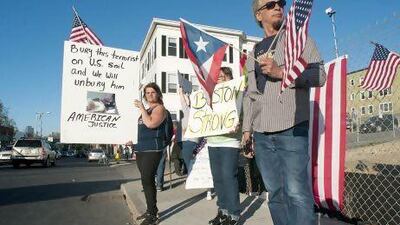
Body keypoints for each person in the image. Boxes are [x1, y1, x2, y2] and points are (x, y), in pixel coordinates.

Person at [242, 1, 327, 225]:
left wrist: (282, 72)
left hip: (291, 126)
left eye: (281, 2)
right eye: (271, 4)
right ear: (259, 15)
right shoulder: (254, 51)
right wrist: (247, 130)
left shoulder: (299, 40)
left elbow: (320, 75)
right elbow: (250, 94)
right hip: (261, 133)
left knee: (297, 193)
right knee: (275, 194)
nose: (278, 7)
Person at [207, 67, 241, 225]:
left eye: (223, 76)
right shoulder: (211, 96)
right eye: (217, 77)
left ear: (230, 78)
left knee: (228, 176)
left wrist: (239, 122)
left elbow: (243, 113)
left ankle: (234, 215)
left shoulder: (237, 93)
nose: (219, 79)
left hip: (230, 141)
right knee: (218, 179)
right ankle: (223, 211)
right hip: (213, 141)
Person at [132, 82, 169, 225]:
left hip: (152, 150)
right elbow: (141, 129)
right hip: (140, 149)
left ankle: (153, 215)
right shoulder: (146, 110)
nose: (150, 95)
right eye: (147, 93)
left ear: (158, 94)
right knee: (146, 181)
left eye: (153, 92)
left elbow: (151, 124)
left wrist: (141, 108)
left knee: (147, 179)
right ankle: (150, 210)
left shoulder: (159, 109)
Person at [178, 87, 200, 173]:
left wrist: (181, 93)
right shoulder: (198, 113)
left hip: (188, 141)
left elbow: (184, 104)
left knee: (189, 164)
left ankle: (191, 179)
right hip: (196, 141)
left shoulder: (190, 113)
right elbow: (186, 103)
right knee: (193, 163)